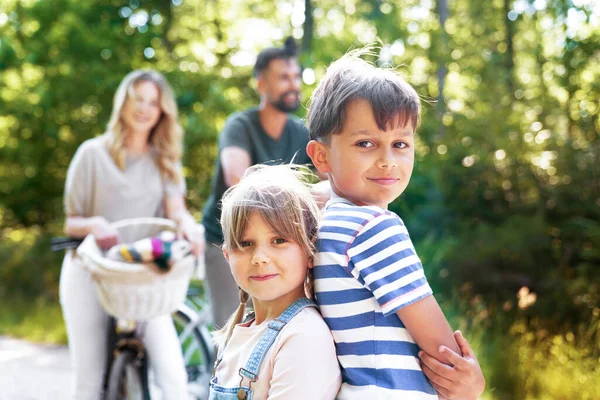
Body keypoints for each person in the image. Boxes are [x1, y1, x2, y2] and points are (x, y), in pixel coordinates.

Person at [306, 52, 486, 399]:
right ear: (321, 156)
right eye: (366, 143)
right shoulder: (374, 227)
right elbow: (443, 354)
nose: (388, 161)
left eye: (400, 144)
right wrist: (471, 382)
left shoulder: (323, 220)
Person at [59, 69, 205, 400]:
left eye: (153, 102)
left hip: (141, 277)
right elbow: (71, 222)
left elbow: (176, 211)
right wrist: (94, 224)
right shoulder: (91, 154)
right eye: (138, 98)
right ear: (123, 101)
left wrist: (189, 226)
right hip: (90, 271)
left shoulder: (165, 160)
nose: (144, 108)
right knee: (89, 381)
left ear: (162, 111)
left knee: (173, 378)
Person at [202, 37, 317, 328]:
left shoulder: (301, 133)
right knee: (232, 327)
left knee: (279, 324)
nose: (292, 84)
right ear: (261, 84)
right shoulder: (240, 125)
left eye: (295, 77)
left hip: (275, 242)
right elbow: (238, 179)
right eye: (283, 77)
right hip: (228, 241)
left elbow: (332, 184)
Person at [209, 165, 341, 400]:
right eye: (246, 243)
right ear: (228, 255)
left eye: (278, 240)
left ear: (310, 250)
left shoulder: (303, 336)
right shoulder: (239, 333)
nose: (259, 257)